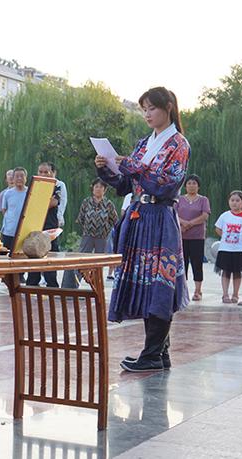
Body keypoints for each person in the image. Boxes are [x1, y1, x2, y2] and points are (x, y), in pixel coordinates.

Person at [95, 87, 189, 372]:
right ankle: (159, 354)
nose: (147, 114)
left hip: (160, 216)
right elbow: (126, 185)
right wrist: (107, 169)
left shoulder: (178, 144)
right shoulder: (144, 143)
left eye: (152, 108)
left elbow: (167, 184)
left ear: (168, 107)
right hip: (139, 215)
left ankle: (152, 354)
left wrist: (133, 166)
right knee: (149, 285)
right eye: (144, 109)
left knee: (161, 283)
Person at [214, 191, 242, 304]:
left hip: (239, 249)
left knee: (237, 272)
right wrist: (226, 237)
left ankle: (235, 294)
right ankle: (225, 294)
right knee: (225, 271)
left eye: (237, 201)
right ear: (229, 201)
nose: (234, 203)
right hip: (225, 248)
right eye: (232, 200)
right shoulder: (225, 215)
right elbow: (217, 228)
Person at [174, 174, 211, 301]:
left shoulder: (203, 200)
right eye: (189, 183)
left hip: (197, 237)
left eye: (194, 183)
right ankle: (181, 290)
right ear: (185, 186)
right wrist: (183, 222)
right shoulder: (179, 199)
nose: (191, 185)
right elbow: (173, 214)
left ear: (198, 186)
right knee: (182, 263)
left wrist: (190, 223)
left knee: (197, 263)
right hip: (181, 236)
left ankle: (198, 290)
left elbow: (205, 216)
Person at [26, 162, 61, 287]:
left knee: (50, 263)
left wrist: (37, 200)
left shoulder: (57, 187)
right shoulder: (33, 187)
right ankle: (31, 287)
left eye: (46, 172)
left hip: (50, 230)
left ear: (53, 173)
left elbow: (52, 203)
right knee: (33, 261)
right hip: (34, 229)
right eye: (40, 171)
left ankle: (52, 288)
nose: (43, 174)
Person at [76, 178, 118, 254]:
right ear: (93, 189)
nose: (98, 189)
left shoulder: (108, 204)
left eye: (101, 187)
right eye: (96, 187)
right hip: (88, 235)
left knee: (100, 260)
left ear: (104, 190)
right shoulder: (86, 202)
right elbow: (81, 218)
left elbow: (114, 220)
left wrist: (105, 229)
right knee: (83, 258)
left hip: (102, 237)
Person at [0, 167, 28, 251]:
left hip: (25, 232)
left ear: (26, 178)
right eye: (17, 176)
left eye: (22, 176)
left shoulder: (30, 192)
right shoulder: (7, 193)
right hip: (9, 231)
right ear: (13, 178)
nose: (19, 178)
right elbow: (4, 210)